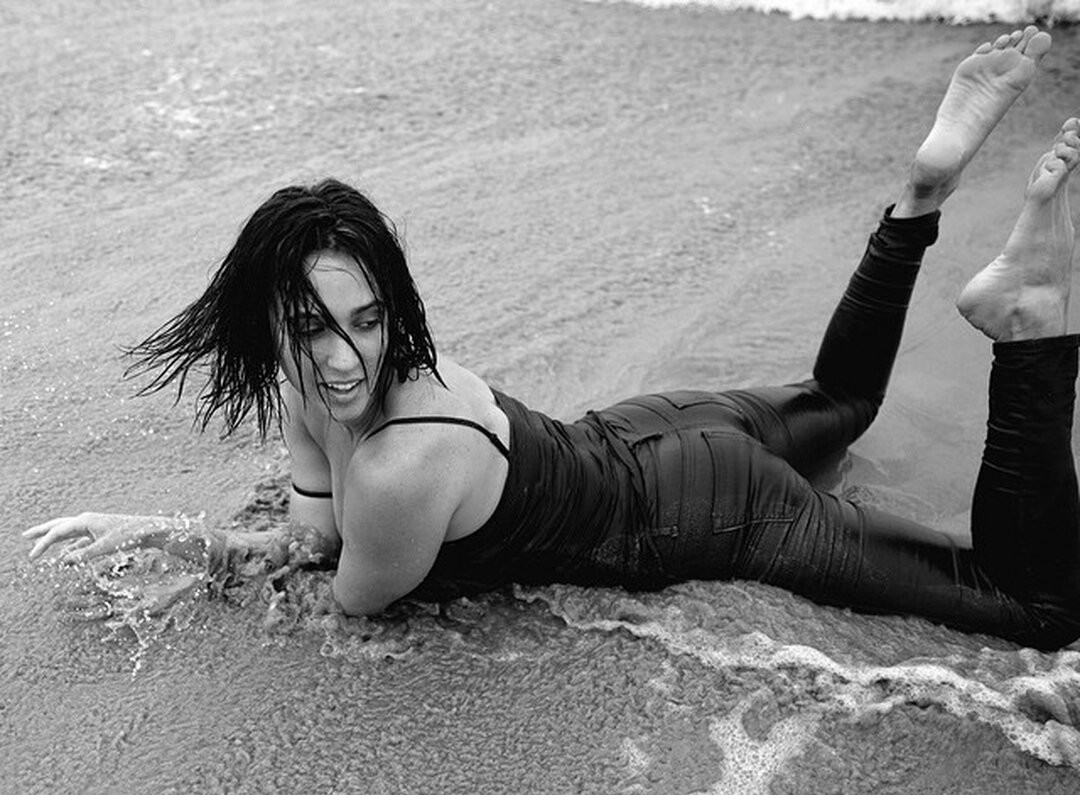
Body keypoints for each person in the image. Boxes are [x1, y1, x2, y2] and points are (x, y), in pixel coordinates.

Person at [23, 27, 1080, 649]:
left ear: (394, 307)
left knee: (1037, 606)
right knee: (842, 404)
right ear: (270, 324)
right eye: (312, 330)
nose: (344, 357)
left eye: (367, 321)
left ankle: (1027, 325)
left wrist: (201, 558)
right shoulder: (326, 395)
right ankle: (919, 194)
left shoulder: (396, 468)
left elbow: (337, 600)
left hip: (715, 513)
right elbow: (310, 537)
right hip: (660, 429)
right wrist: (174, 534)